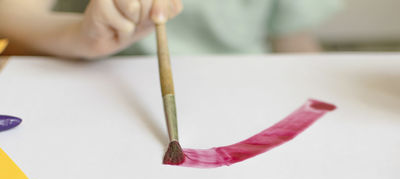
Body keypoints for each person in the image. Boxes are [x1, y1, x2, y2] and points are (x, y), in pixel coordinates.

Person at [0, 0, 342, 59]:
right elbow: (10, 15)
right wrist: (78, 36)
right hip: (81, 74)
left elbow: (294, 39)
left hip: (241, 86)